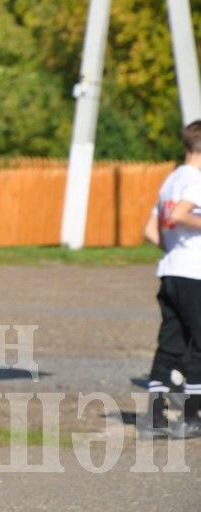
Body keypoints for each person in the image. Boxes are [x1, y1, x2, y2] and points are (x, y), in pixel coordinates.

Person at [141, 119, 201, 439]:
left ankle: (156, 418)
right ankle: (192, 417)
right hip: (194, 272)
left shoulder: (171, 180)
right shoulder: (196, 181)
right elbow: (179, 216)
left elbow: (150, 229)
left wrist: (173, 248)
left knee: (169, 346)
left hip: (170, 271)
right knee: (199, 347)